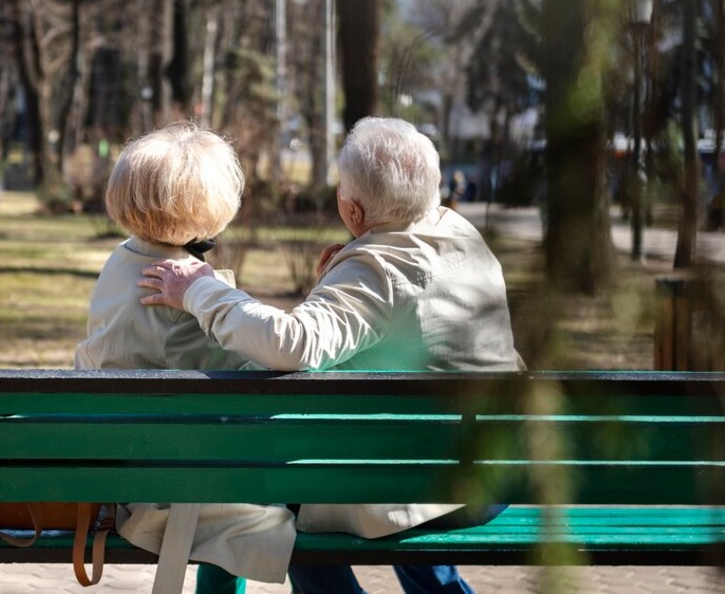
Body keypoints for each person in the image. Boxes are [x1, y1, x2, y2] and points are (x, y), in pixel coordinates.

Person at [138, 116, 525, 594]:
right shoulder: (461, 235)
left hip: (438, 486)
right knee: (394, 473)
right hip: (500, 470)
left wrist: (200, 290)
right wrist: (336, 282)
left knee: (282, 499)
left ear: (354, 209)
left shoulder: (376, 271)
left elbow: (292, 345)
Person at [74, 121, 296, 586]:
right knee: (273, 508)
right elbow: (253, 379)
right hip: (164, 484)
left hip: (122, 458)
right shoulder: (180, 291)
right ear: (211, 204)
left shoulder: (122, 260)